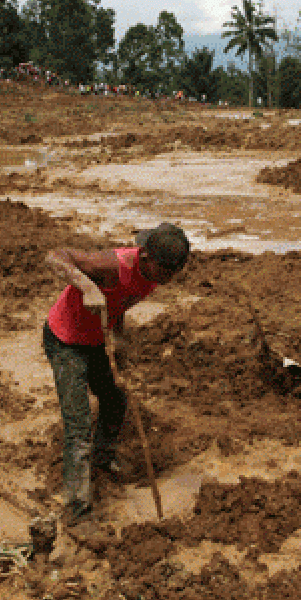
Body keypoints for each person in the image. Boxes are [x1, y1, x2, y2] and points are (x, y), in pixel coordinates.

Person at [43, 222, 190, 525]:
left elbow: (120, 301)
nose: (169, 280)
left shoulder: (152, 277)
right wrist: (87, 287)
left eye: (174, 274)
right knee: (78, 426)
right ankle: (77, 515)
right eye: (166, 272)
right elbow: (55, 256)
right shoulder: (112, 264)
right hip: (65, 340)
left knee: (114, 402)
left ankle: (101, 464)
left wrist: (119, 338)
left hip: (96, 339)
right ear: (147, 257)